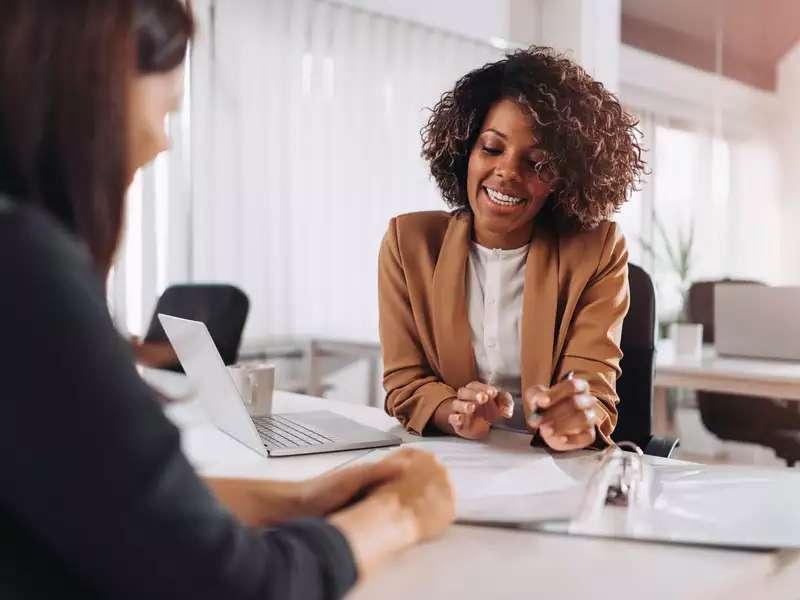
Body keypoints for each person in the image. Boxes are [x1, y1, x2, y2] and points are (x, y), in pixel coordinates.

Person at [0, 1, 453, 599]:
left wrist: (300, 499)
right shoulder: (24, 267)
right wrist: (401, 515)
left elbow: (104, 498)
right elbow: (233, 585)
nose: (161, 141)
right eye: (165, 109)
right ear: (88, 87)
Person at [379, 47, 645, 451]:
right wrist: (454, 413)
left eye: (537, 163)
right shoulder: (409, 243)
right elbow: (405, 383)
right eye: (491, 148)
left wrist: (574, 418)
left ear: (564, 179)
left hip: (554, 469)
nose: (507, 172)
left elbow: (593, 390)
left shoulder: (597, 249)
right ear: (465, 149)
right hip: (454, 460)